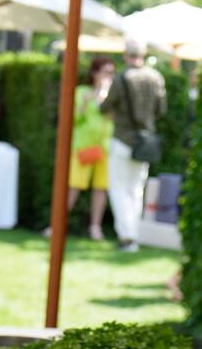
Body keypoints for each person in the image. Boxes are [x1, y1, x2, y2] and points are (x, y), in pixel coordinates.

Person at [100, 37, 167, 253]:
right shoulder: (156, 78)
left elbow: (105, 107)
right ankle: (134, 235)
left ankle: (126, 236)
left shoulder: (122, 79)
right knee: (136, 190)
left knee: (119, 189)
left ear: (125, 55)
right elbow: (161, 110)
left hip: (122, 139)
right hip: (145, 140)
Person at [42, 57, 114, 241]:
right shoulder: (81, 92)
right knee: (73, 187)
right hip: (83, 147)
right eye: (106, 72)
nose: (108, 76)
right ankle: (56, 226)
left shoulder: (112, 95)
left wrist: (105, 96)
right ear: (95, 73)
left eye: (111, 73)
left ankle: (95, 228)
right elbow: (73, 119)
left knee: (101, 188)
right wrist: (87, 102)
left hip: (104, 147)